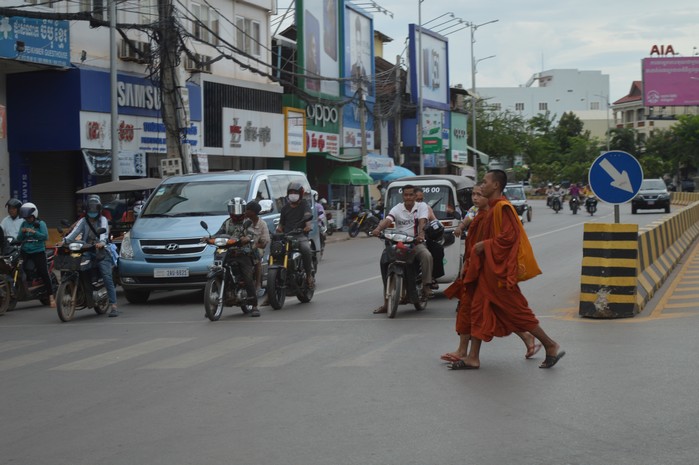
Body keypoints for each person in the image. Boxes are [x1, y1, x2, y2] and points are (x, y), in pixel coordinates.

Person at [450, 170, 564, 369]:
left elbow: (510, 238)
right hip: (484, 273)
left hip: (498, 275)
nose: (481, 186)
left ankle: (550, 344)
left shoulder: (503, 208)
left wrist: (485, 245)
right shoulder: (488, 210)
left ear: (495, 186)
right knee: (477, 310)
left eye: (484, 182)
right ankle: (473, 357)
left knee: (518, 313)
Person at [442, 184, 541, 364]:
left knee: (502, 309)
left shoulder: (497, 212)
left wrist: (485, 246)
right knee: (468, 308)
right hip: (474, 268)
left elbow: (507, 240)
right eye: (473, 194)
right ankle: (464, 351)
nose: (475, 198)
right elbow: (467, 229)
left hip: (492, 270)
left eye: (479, 194)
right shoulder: (476, 213)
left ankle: (541, 341)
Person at [370, 184, 434, 314]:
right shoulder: (397, 208)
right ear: (403, 196)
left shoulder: (421, 207)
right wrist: (378, 229)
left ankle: (426, 285)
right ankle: (386, 303)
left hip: (415, 242)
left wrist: (421, 234)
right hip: (399, 242)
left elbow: (423, 221)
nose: (409, 197)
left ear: (415, 196)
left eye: (411, 194)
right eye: (406, 195)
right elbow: (387, 220)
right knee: (386, 260)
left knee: (426, 255)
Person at [63, 195, 119, 317]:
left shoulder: (103, 220)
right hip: (87, 249)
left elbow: (104, 232)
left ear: (99, 210)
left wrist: (102, 242)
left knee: (106, 275)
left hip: (101, 250)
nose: (92, 213)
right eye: (90, 210)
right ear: (86, 210)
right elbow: (74, 233)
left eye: (94, 210)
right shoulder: (83, 221)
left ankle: (113, 305)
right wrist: (64, 241)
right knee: (77, 268)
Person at [208, 197, 261, 317]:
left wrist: (246, 239)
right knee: (217, 269)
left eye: (238, 209)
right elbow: (219, 233)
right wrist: (209, 238)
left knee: (247, 277)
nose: (236, 212)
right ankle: (213, 306)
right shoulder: (227, 222)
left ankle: (254, 305)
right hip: (227, 252)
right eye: (233, 209)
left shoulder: (248, 222)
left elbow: (251, 234)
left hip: (243, 253)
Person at [14, 202, 56, 308]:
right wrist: (22, 232)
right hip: (25, 251)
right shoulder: (24, 224)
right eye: (26, 218)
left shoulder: (41, 224)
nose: (27, 219)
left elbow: (45, 236)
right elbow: (19, 238)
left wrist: (33, 232)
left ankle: (51, 297)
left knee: (44, 272)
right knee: (18, 267)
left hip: (38, 251)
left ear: (34, 215)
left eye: (29, 217)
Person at [277, 182, 314, 289]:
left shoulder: (304, 205)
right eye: (291, 192)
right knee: (275, 250)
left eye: (295, 192)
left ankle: (308, 276)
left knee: (306, 249)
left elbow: (308, 219)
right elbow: (281, 224)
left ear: (300, 194)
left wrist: (307, 227)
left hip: (300, 235)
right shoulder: (284, 208)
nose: (293, 194)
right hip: (286, 236)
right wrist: (279, 230)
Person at [415, 187, 442, 288]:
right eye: (417, 200)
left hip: (423, 238)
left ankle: (432, 277)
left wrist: (437, 227)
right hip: (406, 238)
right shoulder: (403, 209)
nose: (419, 202)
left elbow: (435, 221)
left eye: (421, 199)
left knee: (438, 249)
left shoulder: (426, 208)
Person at [244, 200, 270, 299]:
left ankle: (258, 285)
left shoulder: (262, 224)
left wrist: (254, 246)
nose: (245, 212)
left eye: (248, 210)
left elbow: (264, 243)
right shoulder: (243, 221)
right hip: (242, 247)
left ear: (254, 212)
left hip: (256, 248)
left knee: (257, 260)